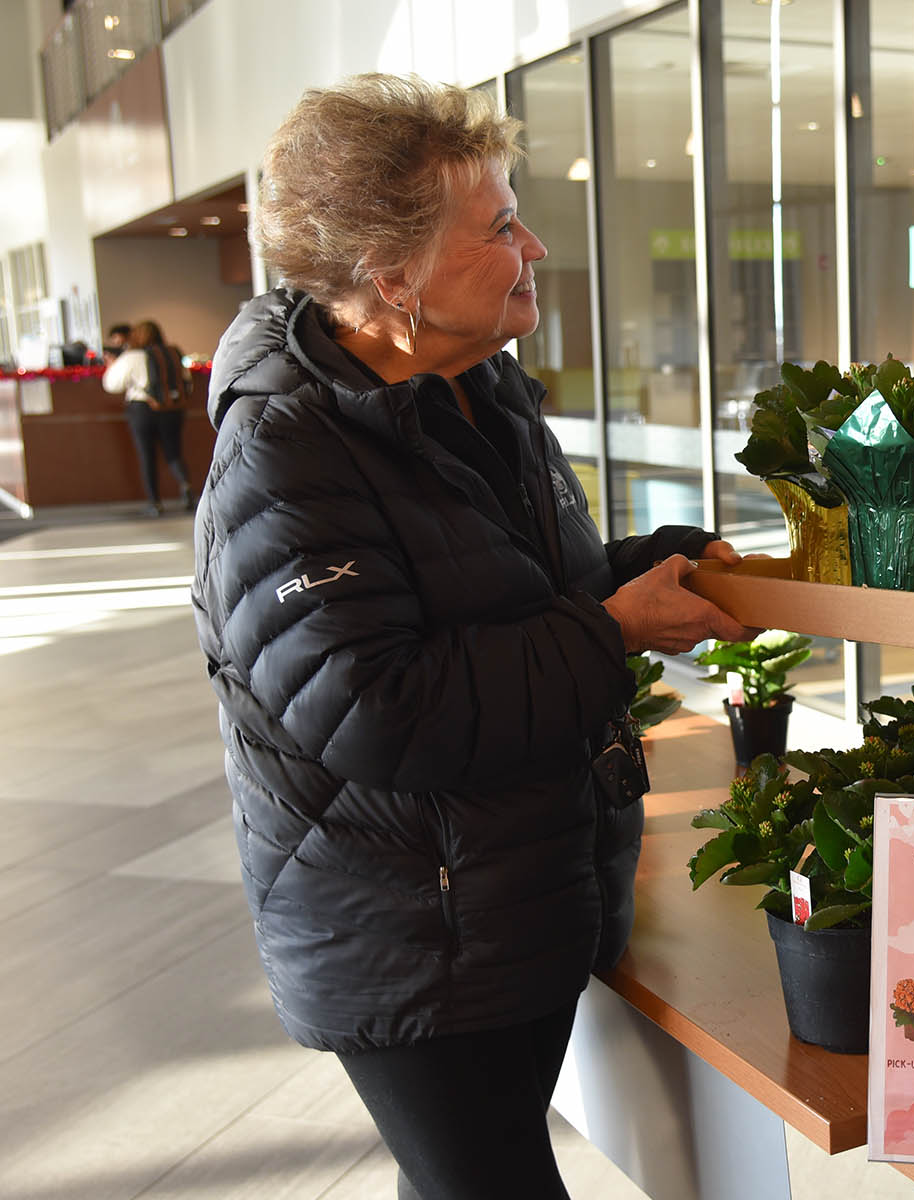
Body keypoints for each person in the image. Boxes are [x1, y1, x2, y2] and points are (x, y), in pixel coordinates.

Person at [189, 74, 754, 1200]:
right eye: (499, 226)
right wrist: (609, 629)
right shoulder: (284, 456)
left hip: (504, 899)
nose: (534, 244)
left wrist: (656, 568)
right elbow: (379, 706)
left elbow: (519, 589)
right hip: (409, 932)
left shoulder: (472, 386)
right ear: (391, 275)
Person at [102, 318, 195, 515]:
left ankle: (155, 502)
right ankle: (186, 486)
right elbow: (187, 380)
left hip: (142, 409)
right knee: (174, 452)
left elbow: (112, 384)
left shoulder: (133, 356)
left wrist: (111, 365)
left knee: (147, 455)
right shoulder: (172, 353)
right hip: (172, 409)